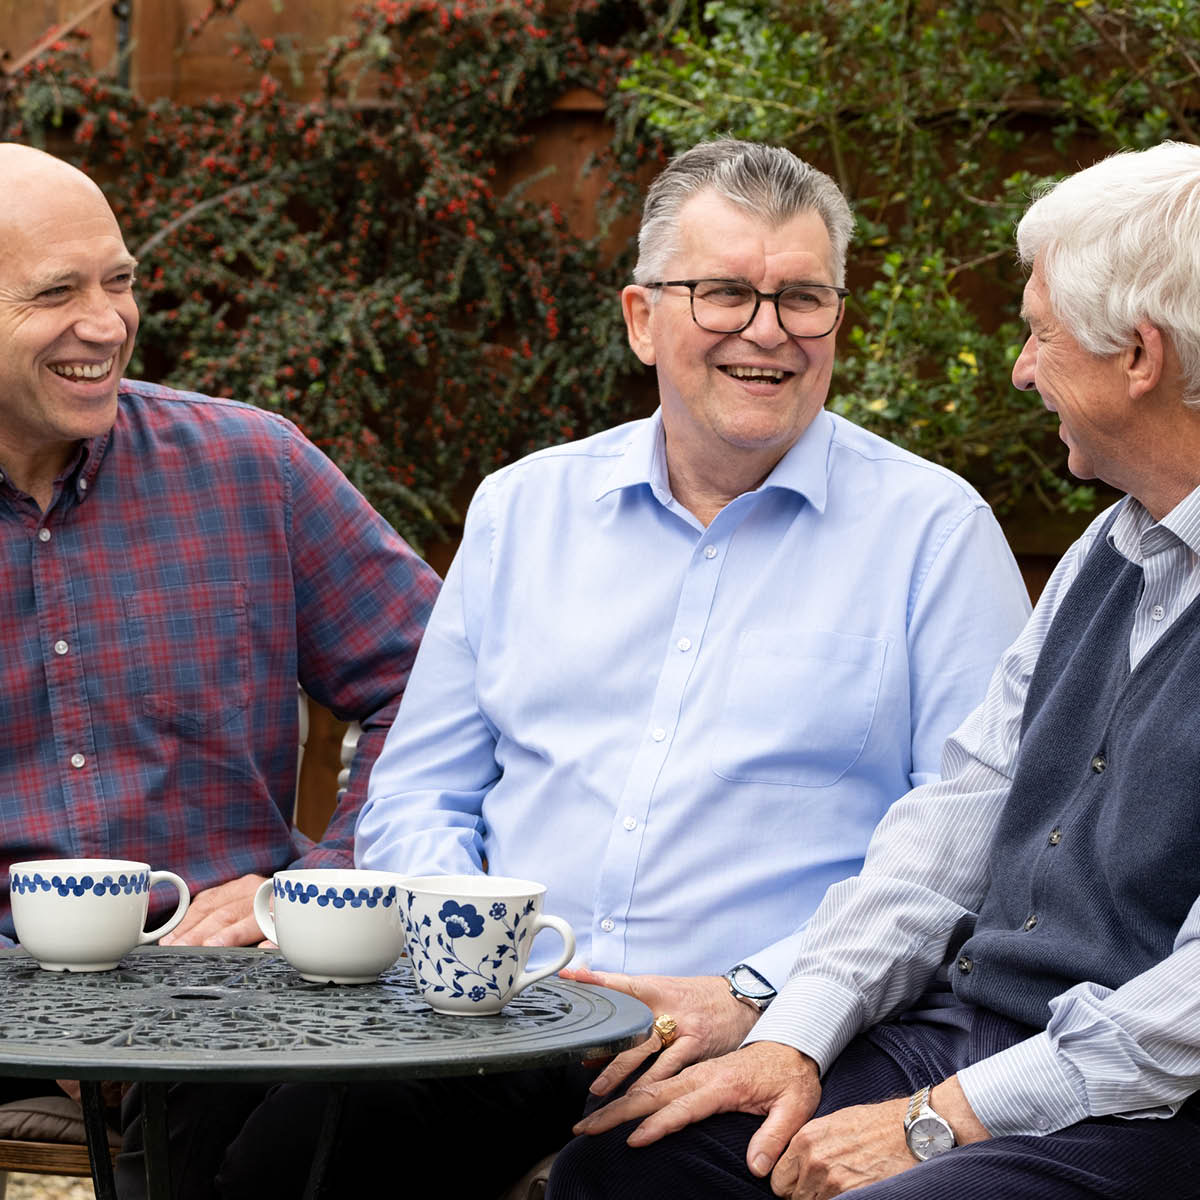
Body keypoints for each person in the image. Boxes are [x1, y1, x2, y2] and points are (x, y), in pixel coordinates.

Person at [223, 137, 1028, 1195]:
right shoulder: (522, 509)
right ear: (642, 318)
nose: (767, 332)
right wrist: (478, 942)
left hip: (761, 1025)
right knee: (289, 1159)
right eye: (726, 293)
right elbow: (422, 787)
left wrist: (762, 991)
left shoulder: (933, 533)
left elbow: (972, 840)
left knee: (631, 1184)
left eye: (802, 298)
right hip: (503, 1015)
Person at [548, 140, 1200, 1200]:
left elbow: (1187, 1013)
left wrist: (941, 1121)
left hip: (1145, 1100)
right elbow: (950, 825)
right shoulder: (1109, 548)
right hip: (967, 1030)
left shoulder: (940, 525)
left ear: (1139, 355)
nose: (1022, 369)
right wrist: (794, 1040)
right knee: (635, 1166)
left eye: (1039, 333)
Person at [0, 142, 440, 1193]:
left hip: (229, 994)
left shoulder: (255, 467)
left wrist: (316, 892)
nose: (105, 323)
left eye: (120, 281)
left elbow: (440, 684)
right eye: (56, 293)